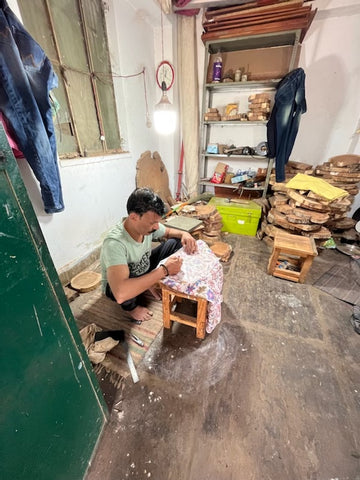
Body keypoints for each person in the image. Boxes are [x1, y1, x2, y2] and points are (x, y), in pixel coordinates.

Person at [100, 187, 197, 323]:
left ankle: (150, 281)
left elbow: (168, 231)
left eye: (158, 222)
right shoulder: (114, 243)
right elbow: (121, 293)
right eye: (153, 223)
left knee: (175, 242)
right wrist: (164, 270)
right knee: (124, 289)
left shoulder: (146, 228)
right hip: (121, 284)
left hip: (142, 266)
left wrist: (184, 234)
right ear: (134, 217)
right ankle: (132, 308)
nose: (157, 227)